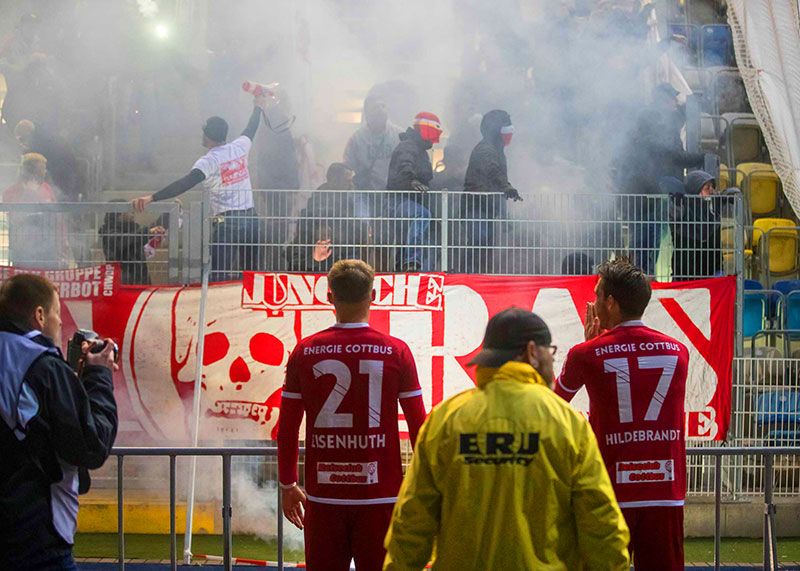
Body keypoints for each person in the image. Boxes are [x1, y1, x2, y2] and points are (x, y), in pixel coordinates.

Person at [384, 308, 630, 570]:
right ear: (533, 352)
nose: (552, 362)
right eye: (551, 352)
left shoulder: (445, 420)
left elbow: (411, 523)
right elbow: (600, 523)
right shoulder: (567, 422)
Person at [278, 259, 427, 571]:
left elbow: (288, 427)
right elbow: (419, 427)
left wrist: (288, 483)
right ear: (373, 296)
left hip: (324, 498)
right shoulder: (396, 351)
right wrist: (428, 485)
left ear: (329, 297)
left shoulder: (305, 351)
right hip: (381, 498)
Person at [555, 259, 689, 571]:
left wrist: (591, 345)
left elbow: (553, 405)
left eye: (597, 295)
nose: (593, 302)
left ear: (611, 303)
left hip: (609, 494)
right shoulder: (677, 352)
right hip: (664, 493)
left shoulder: (584, 354)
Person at [0, 274, 118, 570]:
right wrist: (99, 377)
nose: (59, 322)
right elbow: (90, 446)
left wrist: (73, 385)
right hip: (34, 540)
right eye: (56, 313)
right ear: (39, 315)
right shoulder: (43, 367)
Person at [132, 94, 268, 280]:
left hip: (226, 223)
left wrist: (152, 197)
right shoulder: (240, 147)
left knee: (219, 274)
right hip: (250, 218)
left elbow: (184, 183)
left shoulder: (208, 162)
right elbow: (251, 127)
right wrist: (258, 106)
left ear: (208, 136)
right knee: (252, 274)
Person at [616, 84, 706, 275]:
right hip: (645, 194)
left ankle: (641, 279)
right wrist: (700, 158)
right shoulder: (652, 121)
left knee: (649, 241)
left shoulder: (657, 120)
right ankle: (639, 282)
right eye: (672, 98)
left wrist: (693, 104)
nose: (675, 102)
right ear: (662, 101)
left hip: (648, 192)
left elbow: (679, 117)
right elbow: (671, 154)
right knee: (645, 241)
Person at [460, 109, 522, 274]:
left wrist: (504, 215)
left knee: (486, 244)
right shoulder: (485, 150)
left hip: (485, 208)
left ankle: (480, 276)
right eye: (506, 131)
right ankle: (468, 275)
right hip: (476, 207)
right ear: (496, 131)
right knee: (479, 242)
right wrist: (506, 186)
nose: (510, 135)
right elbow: (493, 171)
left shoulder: (497, 150)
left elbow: (496, 183)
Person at [384, 112, 442, 272]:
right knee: (421, 215)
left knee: (404, 234)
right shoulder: (408, 146)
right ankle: (412, 261)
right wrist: (412, 180)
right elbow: (405, 164)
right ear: (427, 129)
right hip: (399, 200)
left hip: (405, 199)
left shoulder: (418, 148)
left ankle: (401, 267)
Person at [286, 163, 368, 272]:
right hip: (322, 250)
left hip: (340, 245)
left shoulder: (348, 195)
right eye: (347, 180)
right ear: (336, 180)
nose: (350, 183)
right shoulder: (322, 198)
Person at [2, 152, 69, 269]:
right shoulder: (12, 191)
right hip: (23, 248)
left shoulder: (47, 188)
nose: (44, 172)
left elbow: (57, 218)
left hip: (48, 248)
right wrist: (30, 192)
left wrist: (62, 243)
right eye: (41, 169)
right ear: (29, 170)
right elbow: (14, 216)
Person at [344, 95, 402, 194]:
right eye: (375, 107)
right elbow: (348, 166)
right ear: (367, 113)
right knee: (361, 210)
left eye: (383, 106)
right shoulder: (357, 138)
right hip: (365, 193)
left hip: (393, 194)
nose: (380, 110)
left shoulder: (399, 135)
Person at [99, 200, 167, 285]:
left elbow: (150, 230)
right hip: (120, 284)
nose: (133, 212)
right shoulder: (109, 231)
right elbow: (123, 241)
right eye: (129, 210)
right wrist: (148, 232)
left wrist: (167, 216)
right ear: (119, 214)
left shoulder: (133, 228)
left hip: (141, 280)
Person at [670, 170, 722, 280]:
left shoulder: (711, 209)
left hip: (710, 270)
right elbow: (674, 218)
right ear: (696, 190)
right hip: (685, 272)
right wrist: (677, 204)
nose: (711, 191)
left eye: (712, 187)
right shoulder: (682, 208)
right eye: (707, 188)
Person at [14, 120, 80, 201]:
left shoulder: (39, 146)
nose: (21, 143)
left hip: (61, 175)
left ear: (27, 134)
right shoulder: (48, 137)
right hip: (67, 174)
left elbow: (37, 165)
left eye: (21, 139)